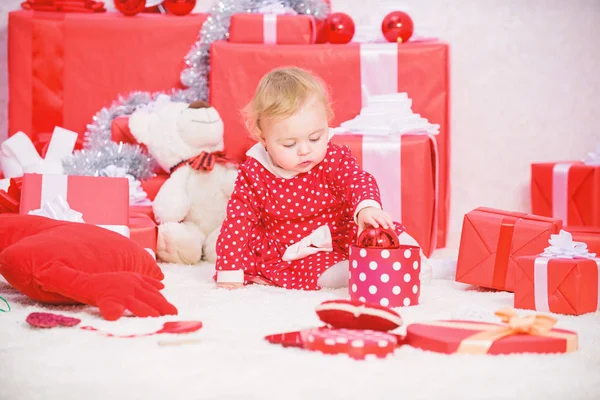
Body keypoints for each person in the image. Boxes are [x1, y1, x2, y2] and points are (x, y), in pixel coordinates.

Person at [214, 67, 426, 290]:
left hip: (342, 233)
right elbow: (237, 222)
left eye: (315, 138)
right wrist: (229, 271)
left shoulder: (333, 158)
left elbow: (357, 179)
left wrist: (366, 208)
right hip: (297, 252)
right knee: (335, 274)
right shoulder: (255, 174)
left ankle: (419, 263)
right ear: (263, 138)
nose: (304, 150)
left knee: (394, 236)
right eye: (289, 144)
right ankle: (371, 272)